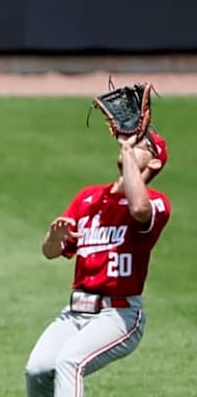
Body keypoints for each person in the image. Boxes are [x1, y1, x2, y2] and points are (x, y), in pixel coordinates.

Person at [24, 131, 171, 396]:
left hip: (119, 315)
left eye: (140, 144)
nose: (131, 144)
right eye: (131, 142)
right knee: (37, 370)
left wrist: (126, 150)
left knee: (70, 361)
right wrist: (53, 239)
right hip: (76, 311)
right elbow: (51, 251)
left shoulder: (157, 203)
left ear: (155, 162)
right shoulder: (88, 198)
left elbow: (139, 210)